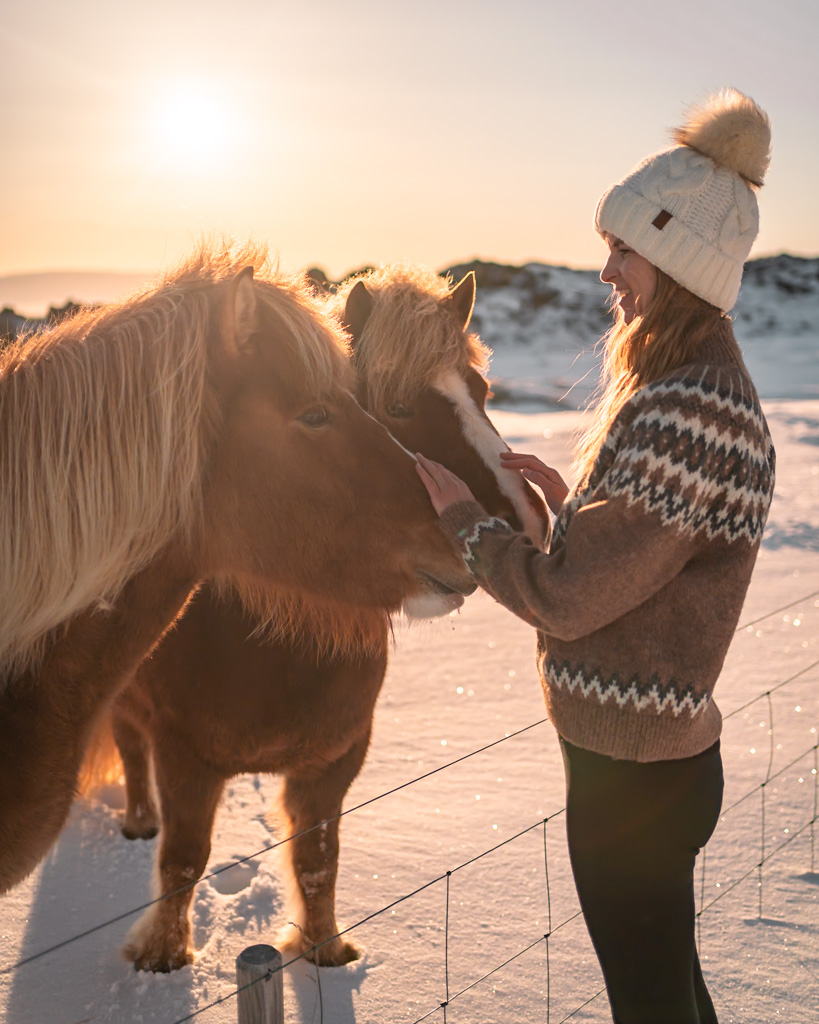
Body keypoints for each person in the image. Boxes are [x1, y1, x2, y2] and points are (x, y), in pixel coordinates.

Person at [416, 88, 775, 1024]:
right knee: (667, 992)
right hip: (645, 762)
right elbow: (658, 558)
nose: (606, 271)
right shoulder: (691, 391)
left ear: (679, 262)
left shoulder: (690, 407)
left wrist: (467, 522)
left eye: (625, 251)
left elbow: (570, 601)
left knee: (648, 1005)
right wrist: (578, 508)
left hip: (634, 782)